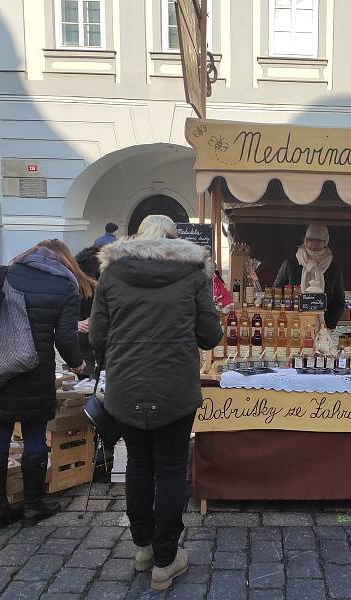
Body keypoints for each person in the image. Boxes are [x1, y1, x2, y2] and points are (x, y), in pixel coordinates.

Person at [89, 214, 222, 590]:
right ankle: (166, 560)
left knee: (138, 466)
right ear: (174, 239)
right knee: (169, 470)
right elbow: (209, 335)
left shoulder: (112, 273)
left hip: (126, 388)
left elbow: (97, 335)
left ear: (137, 235)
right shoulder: (193, 273)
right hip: (174, 391)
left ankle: (143, 548)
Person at [0, 239, 91, 532]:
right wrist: (78, 365)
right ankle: (32, 505)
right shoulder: (65, 287)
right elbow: (66, 339)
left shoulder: (3, 274)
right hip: (34, 370)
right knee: (35, 438)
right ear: (64, 261)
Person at [274, 223, 345, 329]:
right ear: (304, 240)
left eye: (318, 240)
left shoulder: (333, 268)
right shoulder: (291, 263)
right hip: (292, 323)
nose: (313, 244)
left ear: (325, 242)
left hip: (323, 325)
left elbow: (338, 301)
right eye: (310, 240)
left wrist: (329, 326)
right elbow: (277, 292)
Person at [75, 245, 101, 378]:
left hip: (107, 342)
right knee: (85, 377)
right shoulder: (78, 280)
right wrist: (76, 323)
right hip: (84, 339)